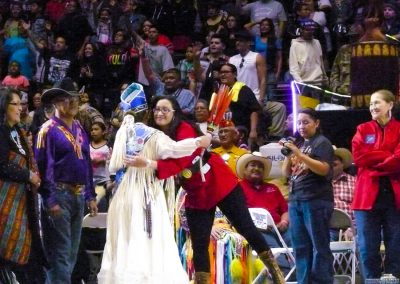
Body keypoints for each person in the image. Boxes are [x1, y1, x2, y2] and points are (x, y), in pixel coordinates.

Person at [147, 95, 285, 284]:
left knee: (246, 228)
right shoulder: (155, 136)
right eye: (156, 109)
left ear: (175, 112)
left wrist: (150, 164)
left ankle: (276, 273)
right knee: (199, 243)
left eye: (164, 109)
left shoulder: (184, 128)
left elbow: (182, 160)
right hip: (196, 192)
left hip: (220, 182)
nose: (160, 113)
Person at [97, 83, 212, 283]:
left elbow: (114, 166)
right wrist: (198, 142)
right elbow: (175, 150)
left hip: (124, 193)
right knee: (148, 235)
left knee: (127, 235)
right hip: (146, 191)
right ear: (146, 112)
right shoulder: (154, 135)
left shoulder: (124, 134)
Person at [34, 77, 98, 283]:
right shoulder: (48, 130)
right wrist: (49, 200)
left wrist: (90, 195)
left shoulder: (79, 127)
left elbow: (86, 162)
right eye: (66, 98)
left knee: (70, 252)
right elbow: (43, 167)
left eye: (75, 98)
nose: (72, 102)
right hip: (59, 194)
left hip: (78, 195)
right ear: (55, 103)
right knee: (59, 252)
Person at [281, 108, 334, 283]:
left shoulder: (322, 142)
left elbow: (324, 168)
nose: (301, 126)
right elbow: (286, 173)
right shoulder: (300, 143)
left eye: (306, 122)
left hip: (316, 199)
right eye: (299, 122)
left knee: (319, 246)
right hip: (296, 199)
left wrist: (299, 154)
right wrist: (289, 154)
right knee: (300, 247)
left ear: (316, 123)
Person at [352, 89, 400, 279]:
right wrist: (387, 157)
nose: (372, 107)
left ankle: (393, 281)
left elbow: (399, 159)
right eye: (371, 103)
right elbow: (359, 156)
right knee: (367, 248)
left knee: (396, 247)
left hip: (394, 199)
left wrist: (376, 163)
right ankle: (371, 282)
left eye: (377, 102)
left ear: (390, 105)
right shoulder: (362, 129)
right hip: (366, 199)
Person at [0, 88, 42, 283]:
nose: (20, 108)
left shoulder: (19, 131)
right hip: (5, 201)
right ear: (3, 107)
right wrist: (27, 175)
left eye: (21, 104)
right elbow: (2, 165)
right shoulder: (1, 132)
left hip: (22, 201)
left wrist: (33, 176)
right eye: (14, 104)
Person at [236, 152, 292, 276]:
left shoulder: (273, 188)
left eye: (260, 166)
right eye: (253, 165)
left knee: (297, 238)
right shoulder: (238, 188)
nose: (257, 168)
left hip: (281, 227)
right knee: (275, 253)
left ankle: (301, 272)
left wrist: (284, 222)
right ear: (245, 170)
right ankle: (285, 274)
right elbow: (238, 214)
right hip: (257, 229)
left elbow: (285, 211)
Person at [331, 146, 355, 241]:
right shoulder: (315, 183)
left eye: (334, 162)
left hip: (351, 227)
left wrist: (353, 229)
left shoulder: (355, 182)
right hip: (325, 228)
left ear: (342, 164)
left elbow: (361, 210)